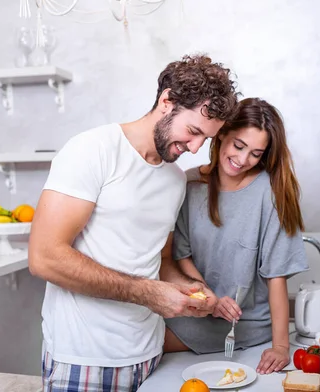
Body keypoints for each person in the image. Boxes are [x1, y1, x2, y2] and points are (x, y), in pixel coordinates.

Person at [28, 54, 239, 392]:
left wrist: (185, 289)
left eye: (207, 140)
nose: (196, 147)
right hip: (84, 359)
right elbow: (44, 257)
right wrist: (149, 293)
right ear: (166, 101)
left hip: (148, 355)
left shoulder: (173, 179)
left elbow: (162, 260)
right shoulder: (92, 150)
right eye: (193, 131)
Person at [163, 97, 309, 375]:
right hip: (197, 309)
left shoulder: (269, 192)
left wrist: (280, 346)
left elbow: (275, 275)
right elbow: (181, 256)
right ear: (222, 134)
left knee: (147, 344)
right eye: (238, 146)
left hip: (245, 324)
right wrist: (210, 299)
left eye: (255, 153)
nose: (242, 160)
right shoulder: (190, 184)